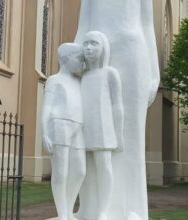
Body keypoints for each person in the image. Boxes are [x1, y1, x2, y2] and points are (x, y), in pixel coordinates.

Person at [74, 1, 160, 219]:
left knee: (131, 138)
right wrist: (72, 63)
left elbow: (147, 25)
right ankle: (93, 208)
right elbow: (82, 25)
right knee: (93, 136)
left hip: (133, 54)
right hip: (95, 53)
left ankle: (133, 207)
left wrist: (154, 71)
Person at [80, 31, 124, 220]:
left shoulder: (110, 73)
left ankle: (103, 211)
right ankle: (84, 207)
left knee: (104, 167)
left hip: (103, 128)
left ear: (103, 47)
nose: (88, 48)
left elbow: (117, 105)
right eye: (86, 44)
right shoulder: (81, 74)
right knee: (82, 170)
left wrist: (119, 134)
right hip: (82, 128)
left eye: (93, 44)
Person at [41, 43, 86, 220]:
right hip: (59, 125)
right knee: (61, 172)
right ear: (66, 59)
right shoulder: (54, 80)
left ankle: (67, 210)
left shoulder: (78, 81)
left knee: (80, 171)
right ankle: (62, 214)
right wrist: (44, 132)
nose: (81, 63)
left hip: (77, 126)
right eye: (79, 59)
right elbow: (46, 107)